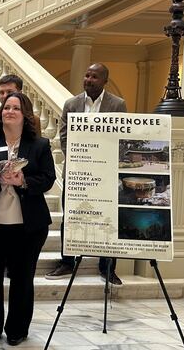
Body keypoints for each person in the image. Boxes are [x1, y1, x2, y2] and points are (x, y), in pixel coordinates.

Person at [0, 92, 55, 346]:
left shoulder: (39, 145)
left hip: (28, 227)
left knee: (23, 279)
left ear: (24, 115)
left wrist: (23, 180)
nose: (10, 112)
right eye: (6, 107)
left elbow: (48, 178)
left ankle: (17, 330)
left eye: (16, 108)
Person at [45, 63, 127, 285]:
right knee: (71, 216)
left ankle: (107, 268)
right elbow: (63, 134)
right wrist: (79, 158)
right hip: (78, 171)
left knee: (107, 217)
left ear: (104, 81)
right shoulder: (72, 104)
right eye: (87, 75)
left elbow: (120, 135)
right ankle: (67, 262)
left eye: (94, 76)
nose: (89, 79)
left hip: (105, 172)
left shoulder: (117, 105)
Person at [0, 74, 40, 147]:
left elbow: (38, 148)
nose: (5, 96)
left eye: (9, 92)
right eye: (2, 92)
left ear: (20, 93)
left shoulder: (34, 120)